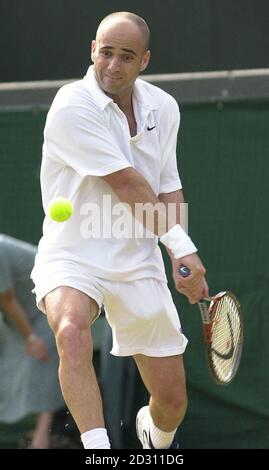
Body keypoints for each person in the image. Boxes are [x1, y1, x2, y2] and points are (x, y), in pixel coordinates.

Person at [31, 11, 208, 449]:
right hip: (72, 253)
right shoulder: (73, 104)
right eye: (105, 52)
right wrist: (181, 246)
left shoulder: (163, 108)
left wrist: (178, 255)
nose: (112, 64)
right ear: (92, 49)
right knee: (71, 330)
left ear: (144, 60)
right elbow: (128, 184)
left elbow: (167, 186)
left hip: (137, 260)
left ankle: (154, 437)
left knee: (171, 403)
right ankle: (98, 451)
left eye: (125, 56)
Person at [0, 234, 65, 449]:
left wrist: (31, 337)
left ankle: (41, 439)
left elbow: (7, 299)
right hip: (22, 314)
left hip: (51, 305)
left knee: (42, 357)